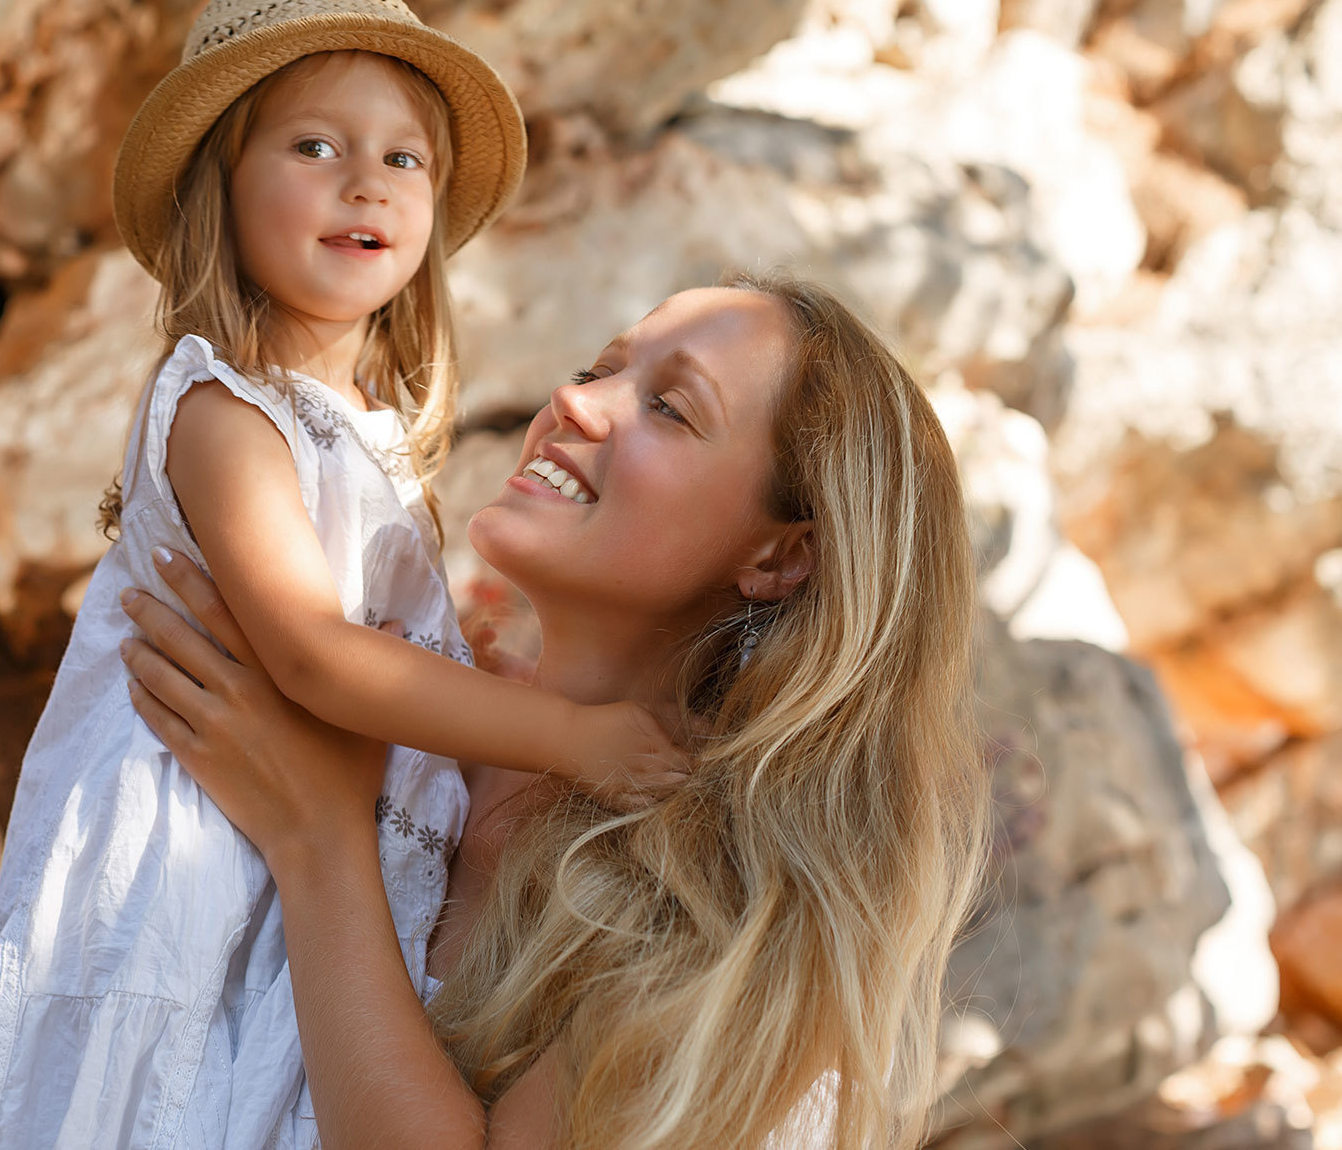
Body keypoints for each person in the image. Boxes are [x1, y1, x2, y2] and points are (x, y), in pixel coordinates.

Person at [0, 0, 681, 1150]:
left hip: (279, 872)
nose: (363, 182)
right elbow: (316, 660)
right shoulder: (224, 412)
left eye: (401, 157)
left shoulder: (367, 438)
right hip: (181, 863)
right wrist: (573, 737)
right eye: (313, 147)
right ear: (220, 191)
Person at [119, 275, 992, 1149]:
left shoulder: (727, 908)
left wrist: (318, 839)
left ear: (780, 553)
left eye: (671, 408)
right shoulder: (399, 705)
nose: (575, 400)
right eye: (597, 367)